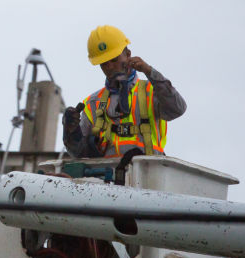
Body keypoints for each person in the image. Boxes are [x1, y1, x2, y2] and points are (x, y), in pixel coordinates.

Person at [63, 25, 186, 159]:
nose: (109, 66)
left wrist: (150, 72)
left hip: (148, 174)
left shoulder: (152, 91)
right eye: (104, 63)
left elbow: (177, 109)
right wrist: (71, 133)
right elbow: (80, 154)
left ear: (128, 55)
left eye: (114, 59)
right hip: (106, 176)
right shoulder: (92, 103)